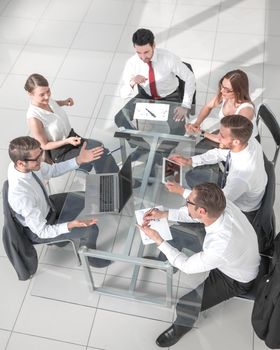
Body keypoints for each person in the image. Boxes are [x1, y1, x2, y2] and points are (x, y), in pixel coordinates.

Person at [137, 183, 260, 347]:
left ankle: (182, 327)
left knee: (185, 304)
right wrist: (164, 214)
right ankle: (165, 263)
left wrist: (158, 240)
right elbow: (194, 213)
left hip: (235, 279)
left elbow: (187, 266)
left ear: (202, 211)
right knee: (177, 234)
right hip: (235, 256)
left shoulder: (220, 245)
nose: (186, 201)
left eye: (188, 201)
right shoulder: (221, 203)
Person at [7, 136, 111, 268]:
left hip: (47, 206)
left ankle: (60, 238)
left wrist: (79, 160)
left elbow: (52, 170)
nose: (41, 159)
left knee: (87, 197)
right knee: (91, 229)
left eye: (41, 153)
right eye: (37, 159)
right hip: (40, 228)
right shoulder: (21, 195)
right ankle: (90, 258)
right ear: (21, 163)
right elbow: (42, 232)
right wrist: (70, 225)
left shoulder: (21, 165)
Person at [167, 115, 267, 223]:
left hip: (239, 208)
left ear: (236, 141)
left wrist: (182, 192)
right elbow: (219, 153)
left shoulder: (240, 178)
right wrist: (189, 161)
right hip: (233, 190)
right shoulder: (249, 141)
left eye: (222, 136)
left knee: (186, 219)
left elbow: (211, 208)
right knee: (193, 176)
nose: (218, 137)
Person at [115, 28, 196, 159]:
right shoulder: (132, 63)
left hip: (170, 96)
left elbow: (190, 78)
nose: (143, 57)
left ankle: (160, 155)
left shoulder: (168, 58)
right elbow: (123, 94)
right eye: (138, 52)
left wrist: (185, 105)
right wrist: (132, 82)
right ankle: (142, 146)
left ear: (154, 45)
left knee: (179, 129)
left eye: (146, 52)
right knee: (119, 118)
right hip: (146, 95)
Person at [25, 73, 119, 173]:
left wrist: (64, 102)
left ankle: (94, 169)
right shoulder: (34, 118)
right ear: (30, 94)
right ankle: (113, 178)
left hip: (72, 138)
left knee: (99, 147)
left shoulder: (46, 101)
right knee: (101, 153)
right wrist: (67, 141)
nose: (47, 96)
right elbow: (44, 145)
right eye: (42, 94)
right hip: (61, 151)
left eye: (48, 91)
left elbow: (53, 103)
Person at [186, 69, 257, 149]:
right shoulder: (224, 95)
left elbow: (230, 139)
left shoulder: (246, 111)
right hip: (226, 134)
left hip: (240, 143)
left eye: (227, 89)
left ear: (238, 91)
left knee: (200, 150)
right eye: (221, 86)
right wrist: (197, 124)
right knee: (199, 148)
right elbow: (208, 107)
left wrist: (201, 132)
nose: (222, 91)